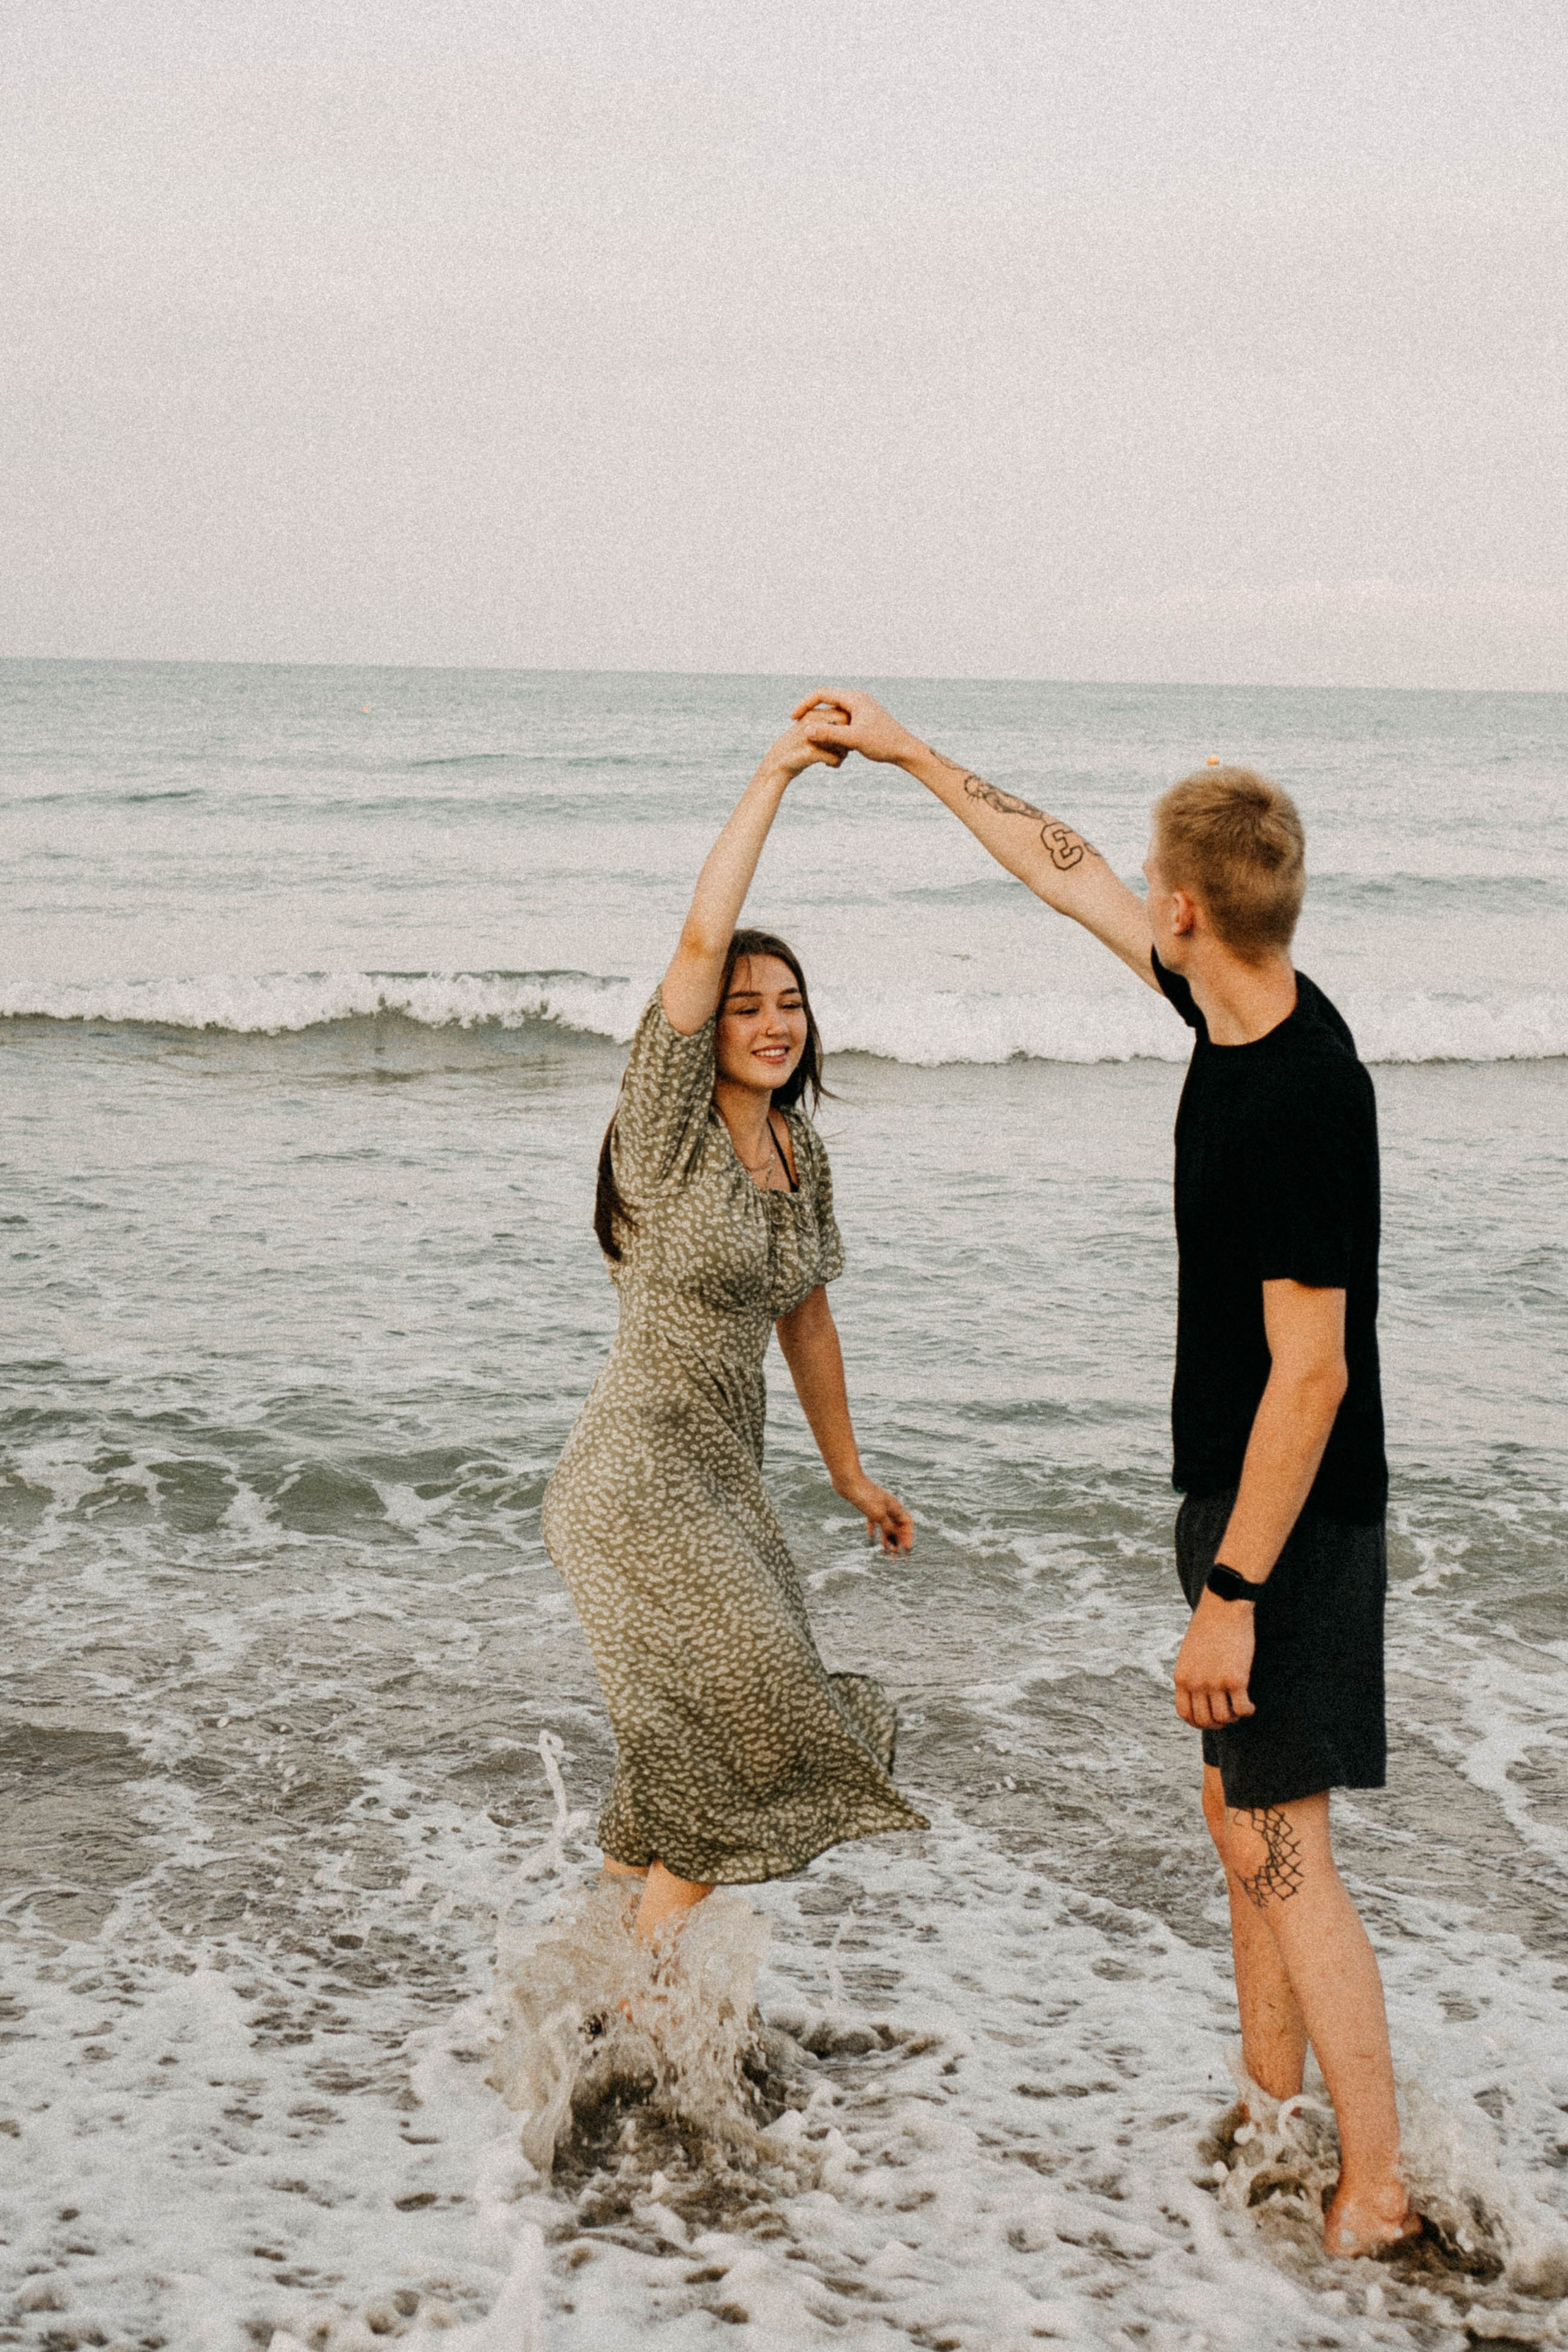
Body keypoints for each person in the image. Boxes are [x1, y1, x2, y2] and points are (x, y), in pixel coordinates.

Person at [794, 687, 1415, 2260]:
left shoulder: (1297, 1097)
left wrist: (1229, 1594)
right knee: (1242, 1834)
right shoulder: (1231, 1002)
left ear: (1190, 908)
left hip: (1289, 1524)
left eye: (1158, 881)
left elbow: (1315, 1374)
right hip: (1238, 1501)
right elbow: (1059, 867)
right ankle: (1270, 2116)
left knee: (1286, 1845)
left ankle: (1379, 2187)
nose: (1134, 895)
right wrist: (913, 752)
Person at [541, 718, 928, 1951]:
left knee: (674, 1765)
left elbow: (806, 1315)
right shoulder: (665, 1130)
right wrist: (771, 776)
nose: (771, 1023)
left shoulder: (798, 1152)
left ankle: (573, 1979)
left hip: (721, 1483)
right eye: (745, 1007)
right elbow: (704, 935)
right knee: (762, 1735)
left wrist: (849, 1471)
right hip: (632, 1483)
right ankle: (631, 2015)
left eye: (791, 1005)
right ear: (702, 1028)